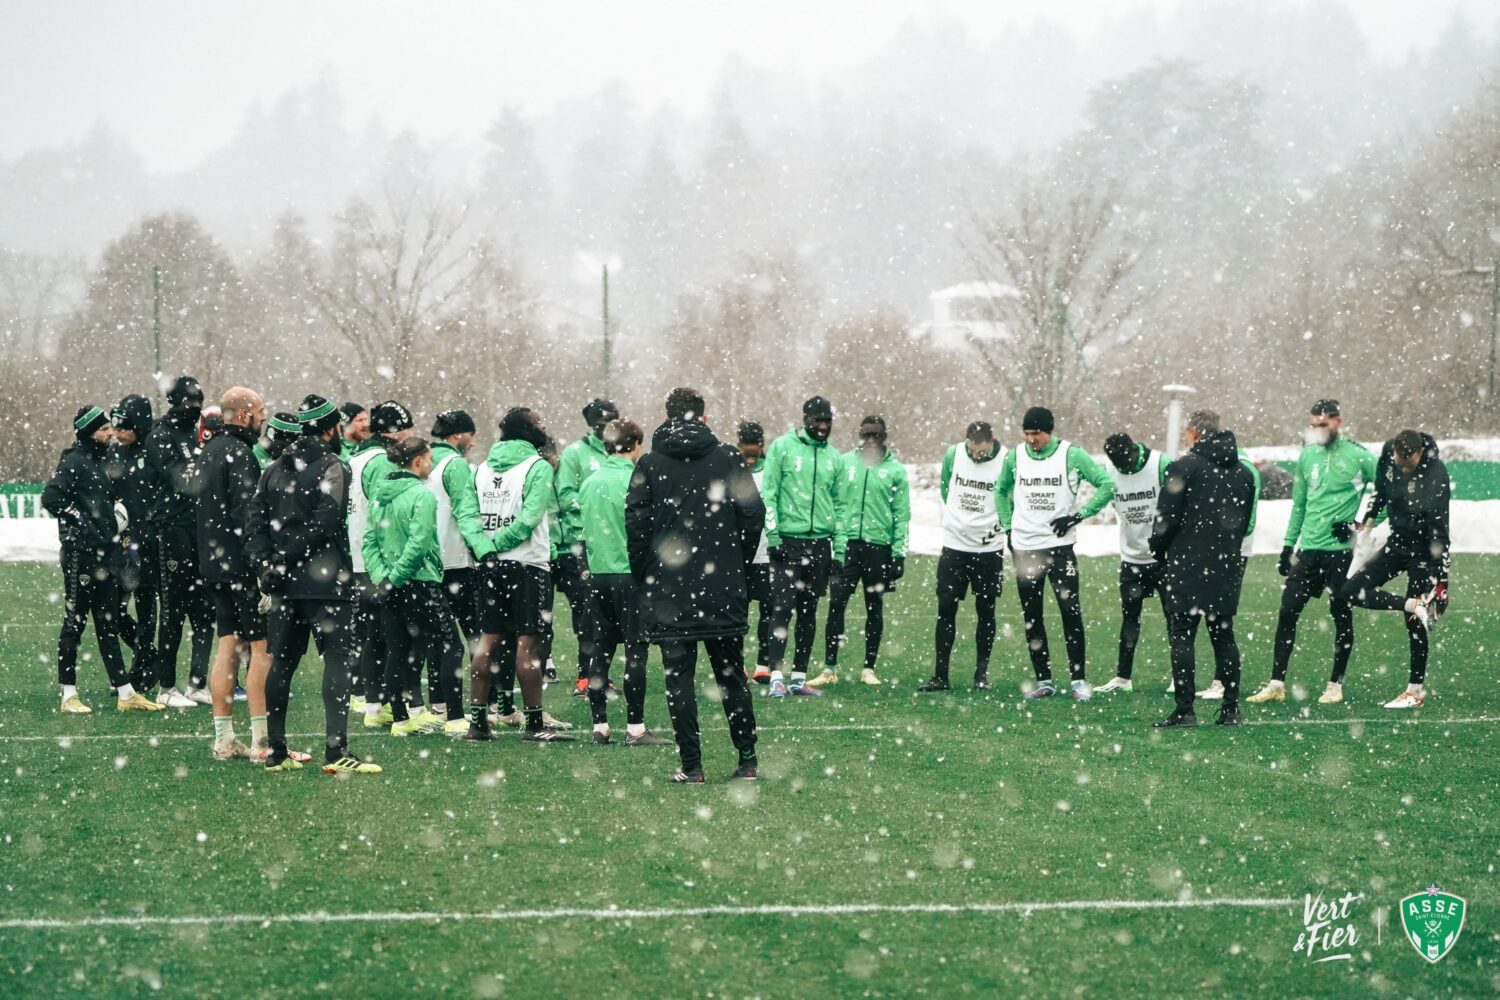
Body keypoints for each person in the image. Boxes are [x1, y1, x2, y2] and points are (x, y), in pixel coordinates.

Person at [626, 387, 762, 782]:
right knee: (731, 675)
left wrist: (646, 573)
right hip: (722, 584)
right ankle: (747, 759)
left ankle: (692, 766)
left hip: (671, 588)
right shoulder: (728, 457)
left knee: (678, 678)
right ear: (704, 418)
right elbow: (753, 515)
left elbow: (635, 527)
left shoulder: (650, 462)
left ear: (666, 417)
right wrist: (736, 562)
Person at [248, 395, 380, 774]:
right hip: (326, 582)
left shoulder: (273, 469)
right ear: (330, 428)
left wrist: (267, 564)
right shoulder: (334, 465)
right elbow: (325, 522)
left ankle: (276, 752)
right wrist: (284, 559)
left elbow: (254, 524)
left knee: (282, 664)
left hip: (284, 585)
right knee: (337, 661)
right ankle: (336, 752)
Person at [1247, 399, 1378, 706]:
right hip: (1308, 551)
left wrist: (1360, 525)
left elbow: (1387, 493)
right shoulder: (1307, 456)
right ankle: (1276, 684)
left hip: (1341, 554)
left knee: (1341, 615)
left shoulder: (1360, 456)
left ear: (1338, 422)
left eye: (1323, 424)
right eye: (1314, 425)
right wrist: (1288, 545)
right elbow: (1300, 505)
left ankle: (1335, 685)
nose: (1318, 429)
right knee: (1287, 612)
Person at [43, 406, 164, 714]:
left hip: (107, 555)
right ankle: (68, 695)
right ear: (88, 432)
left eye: (110, 428)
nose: (110, 433)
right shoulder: (73, 461)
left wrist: (117, 524)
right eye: (103, 429)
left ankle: (126, 693)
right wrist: (82, 521)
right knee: (74, 624)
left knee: (108, 624)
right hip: (80, 556)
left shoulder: (105, 460)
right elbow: (52, 497)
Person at [467, 408, 574, 742]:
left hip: (488, 565)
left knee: (488, 640)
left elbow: (468, 517)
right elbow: (529, 519)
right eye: (538, 421)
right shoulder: (537, 467)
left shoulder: (480, 469)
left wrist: (485, 548)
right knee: (529, 644)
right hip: (528, 565)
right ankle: (534, 725)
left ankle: (477, 724)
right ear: (526, 430)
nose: (543, 425)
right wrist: (500, 544)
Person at [996, 406, 1116, 700]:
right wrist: (1009, 528)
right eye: (1026, 433)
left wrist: (1077, 516)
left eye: (1036, 433)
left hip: (1059, 549)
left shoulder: (1071, 454)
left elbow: (1107, 485)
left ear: (1049, 431)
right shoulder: (1015, 456)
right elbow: (1000, 491)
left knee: (1070, 612)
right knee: (1032, 616)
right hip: (1025, 548)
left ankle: (1078, 681)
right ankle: (1044, 681)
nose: (1031, 439)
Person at [1149, 410, 1256, 728]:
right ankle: (1230, 709)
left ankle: (1185, 710)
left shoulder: (1183, 467)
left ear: (1194, 432)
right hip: (1226, 562)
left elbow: (1165, 519)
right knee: (1223, 635)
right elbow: (1243, 523)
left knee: (1182, 634)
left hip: (1188, 562)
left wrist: (1158, 549)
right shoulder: (1244, 473)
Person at [1342, 430, 1449, 709]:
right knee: (1350, 591)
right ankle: (1412, 604)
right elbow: (1379, 491)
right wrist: (1366, 524)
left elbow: (1440, 530)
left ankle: (1415, 692)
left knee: (1414, 624)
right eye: (1398, 459)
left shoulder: (1436, 474)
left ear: (1420, 453)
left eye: (1407, 461)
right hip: (1396, 544)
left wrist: (1442, 582)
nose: (1402, 465)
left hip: (1423, 553)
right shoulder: (1389, 457)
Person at [579, 419, 670, 746]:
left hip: (598, 574)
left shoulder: (590, 482)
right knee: (636, 650)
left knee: (600, 650)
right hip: (629, 575)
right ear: (635, 444)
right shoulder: (637, 479)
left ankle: (600, 726)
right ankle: (635, 727)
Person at [363, 436, 456, 738]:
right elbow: (418, 544)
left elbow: (369, 543)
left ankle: (401, 720)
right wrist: (397, 577)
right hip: (420, 582)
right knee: (449, 646)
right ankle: (456, 717)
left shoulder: (379, 495)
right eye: (429, 458)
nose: (431, 464)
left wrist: (384, 578)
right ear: (418, 461)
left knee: (397, 650)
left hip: (390, 585)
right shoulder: (422, 495)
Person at [196, 386, 270, 760]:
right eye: (260, 410)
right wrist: (260, 566)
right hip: (240, 566)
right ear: (243, 415)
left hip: (213, 565)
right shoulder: (240, 454)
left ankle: (224, 739)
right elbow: (246, 515)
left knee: (227, 646)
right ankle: (262, 742)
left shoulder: (208, 451)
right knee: (261, 649)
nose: (264, 417)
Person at [811, 415, 909, 688]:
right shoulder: (844, 463)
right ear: (860, 435)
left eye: (876, 434)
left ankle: (869, 668)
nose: (871, 439)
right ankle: (830, 668)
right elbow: (831, 501)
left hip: (880, 548)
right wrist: (834, 538)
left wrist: (899, 553)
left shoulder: (896, 471)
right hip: (847, 546)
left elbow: (902, 515)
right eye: (866, 434)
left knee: (874, 607)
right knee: (836, 605)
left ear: (884, 436)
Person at [760, 395, 847, 698]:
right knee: (782, 608)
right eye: (817, 420)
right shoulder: (782, 447)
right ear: (805, 419)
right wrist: (773, 536)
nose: (823, 426)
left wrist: (839, 550)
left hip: (820, 545)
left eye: (827, 421)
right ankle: (775, 676)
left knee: (809, 612)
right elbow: (769, 494)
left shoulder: (834, 457)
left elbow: (840, 506)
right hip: (788, 542)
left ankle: (798, 678)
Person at [918, 421, 1007, 692]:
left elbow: (1009, 496)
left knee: (986, 611)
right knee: (946, 609)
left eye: (982, 450)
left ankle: (981, 676)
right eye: (973, 449)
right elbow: (946, 488)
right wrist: (959, 520)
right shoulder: (953, 454)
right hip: (954, 547)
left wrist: (995, 525)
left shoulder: (1007, 459)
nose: (976, 455)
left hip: (988, 549)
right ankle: (940, 676)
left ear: (992, 441)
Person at [144, 375, 215, 706]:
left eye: (199, 402)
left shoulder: (198, 432)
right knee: (173, 609)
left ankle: (197, 684)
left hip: (199, 528)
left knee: (204, 610)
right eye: (190, 402)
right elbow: (180, 478)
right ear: (174, 402)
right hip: (171, 529)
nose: (195, 407)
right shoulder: (160, 435)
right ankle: (166, 687)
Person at [349, 401, 415, 729]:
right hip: (375, 559)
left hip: (357, 556)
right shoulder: (379, 461)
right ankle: (387, 706)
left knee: (371, 635)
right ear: (394, 431)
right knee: (389, 637)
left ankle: (372, 703)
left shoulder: (355, 456)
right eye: (407, 428)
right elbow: (384, 511)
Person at [427, 408, 492, 732]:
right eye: (470, 435)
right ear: (456, 436)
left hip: (428, 563)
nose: (473, 441)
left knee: (436, 638)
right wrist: (483, 550)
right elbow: (466, 513)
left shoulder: (423, 460)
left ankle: (437, 704)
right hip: (455, 562)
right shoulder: (454, 465)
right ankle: (484, 705)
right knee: (475, 636)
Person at [106, 393, 170, 700]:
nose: (119, 433)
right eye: (116, 426)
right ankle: (150, 656)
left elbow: (168, 492)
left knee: (146, 608)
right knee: (113, 610)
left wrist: (152, 528)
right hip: (121, 544)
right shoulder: (115, 453)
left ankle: (142, 668)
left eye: (125, 427)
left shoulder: (155, 449)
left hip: (149, 544)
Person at [1094, 432, 1168, 694]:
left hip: (1164, 559)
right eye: (1118, 465)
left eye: (1125, 464)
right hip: (1132, 559)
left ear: (1134, 452)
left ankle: (1178, 677)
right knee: (1130, 619)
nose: (1123, 469)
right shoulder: (1109, 470)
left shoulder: (1160, 464)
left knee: (1176, 620)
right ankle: (1123, 678)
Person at [555, 398, 616, 694]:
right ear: (592, 425)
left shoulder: (618, 451)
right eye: (603, 422)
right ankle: (585, 675)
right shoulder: (575, 453)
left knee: (609, 610)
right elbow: (565, 495)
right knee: (586, 609)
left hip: (613, 542)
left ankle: (602, 673)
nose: (608, 427)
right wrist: (594, 512)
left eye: (612, 421)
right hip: (581, 543)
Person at [1197, 448, 1262, 701]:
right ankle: (1221, 681)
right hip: (1221, 551)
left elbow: (1249, 519)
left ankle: (1224, 682)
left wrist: (1228, 543)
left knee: (1220, 617)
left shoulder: (1245, 468)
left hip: (1233, 552)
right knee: (1215, 616)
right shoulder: (1223, 464)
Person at [737, 422, 775, 683]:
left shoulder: (771, 472)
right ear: (739, 446)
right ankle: (737, 663)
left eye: (754, 452)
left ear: (762, 447)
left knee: (768, 611)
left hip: (766, 553)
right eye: (746, 451)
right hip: (739, 555)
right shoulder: (732, 471)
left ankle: (763, 664)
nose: (750, 457)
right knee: (738, 613)